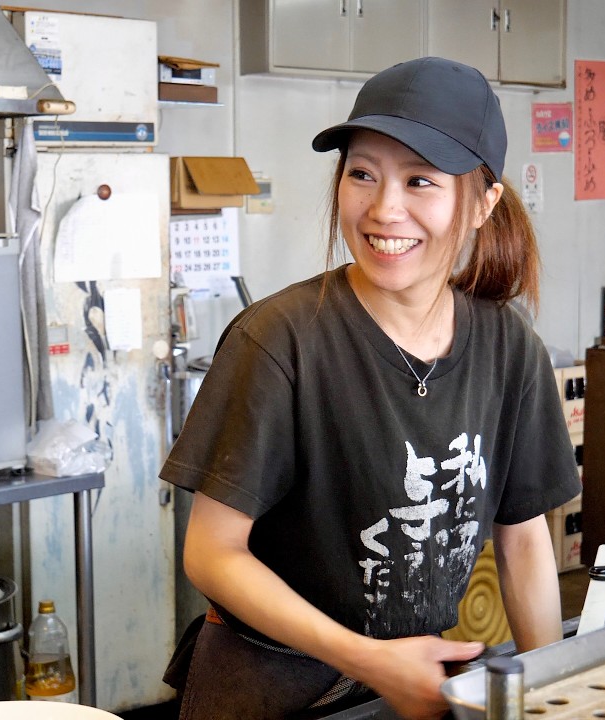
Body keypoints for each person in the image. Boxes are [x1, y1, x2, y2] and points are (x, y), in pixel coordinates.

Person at [159, 56, 582, 720]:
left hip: (405, 686)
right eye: (362, 174)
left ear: (483, 203)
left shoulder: (508, 350)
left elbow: (523, 538)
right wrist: (366, 657)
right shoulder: (279, 341)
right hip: (268, 690)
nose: (385, 209)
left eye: (420, 181)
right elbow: (212, 554)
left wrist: (554, 695)